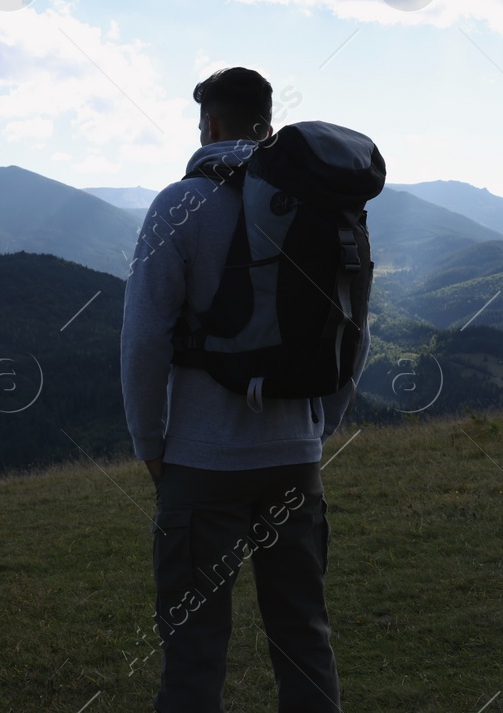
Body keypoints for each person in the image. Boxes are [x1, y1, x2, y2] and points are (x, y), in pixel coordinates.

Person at [121, 66, 365, 712]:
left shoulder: (178, 206)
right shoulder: (317, 205)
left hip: (203, 462)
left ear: (211, 124)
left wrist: (151, 442)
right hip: (295, 455)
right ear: (268, 122)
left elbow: (144, 339)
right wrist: (318, 425)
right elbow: (352, 330)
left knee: (195, 652)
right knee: (304, 641)